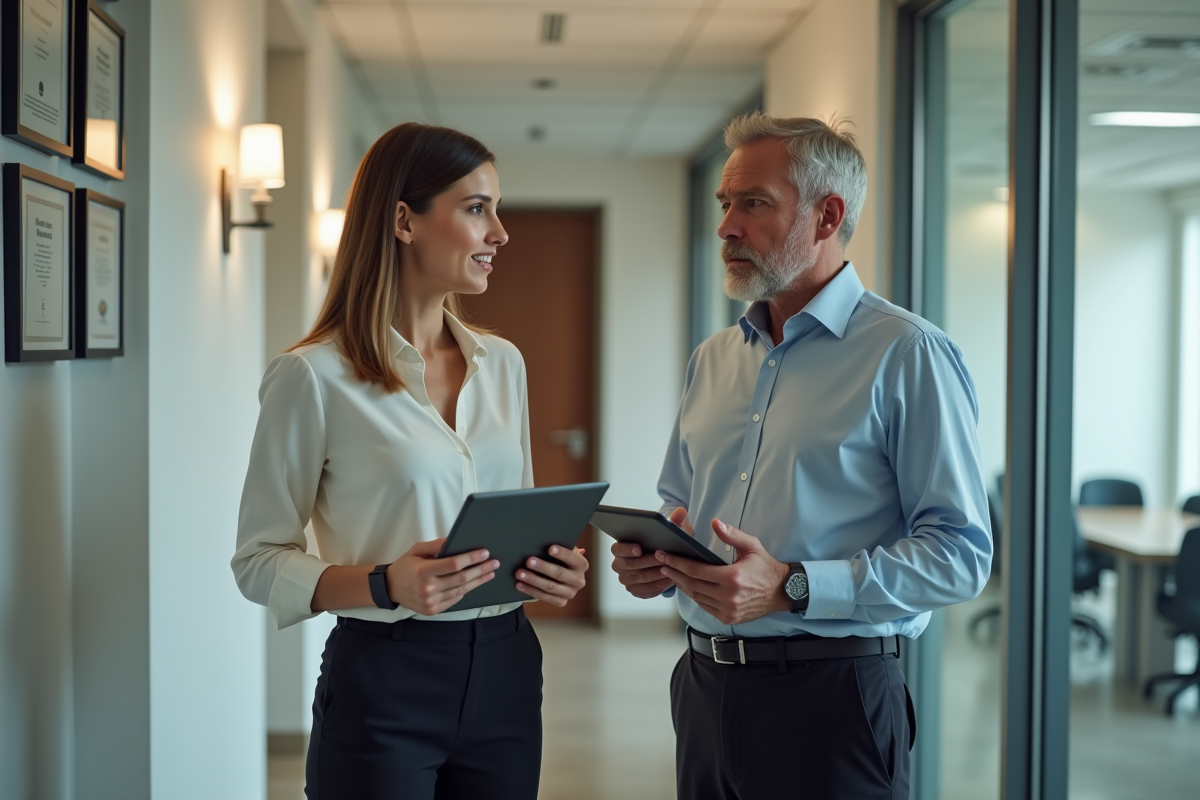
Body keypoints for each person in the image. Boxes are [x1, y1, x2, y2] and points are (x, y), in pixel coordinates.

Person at [611, 112, 993, 799]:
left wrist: (792, 584)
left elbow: (959, 556)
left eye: (753, 203)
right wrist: (659, 564)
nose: (727, 226)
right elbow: (682, 505)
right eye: (725, 204)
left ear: (827, 215)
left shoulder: (908, 354)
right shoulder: (715, 358)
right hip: (703, 688)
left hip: (834, 698)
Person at [231, 123, 590, 800]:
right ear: (403, 220)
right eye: (477, 208)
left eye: (497, 209)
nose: (500, 233)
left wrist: (550, 567)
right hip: (384, 679)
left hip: (509, 669)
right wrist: (385, 585)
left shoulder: (503, 364)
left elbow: (516, 518)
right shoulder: (312, 377)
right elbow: (257, 562)